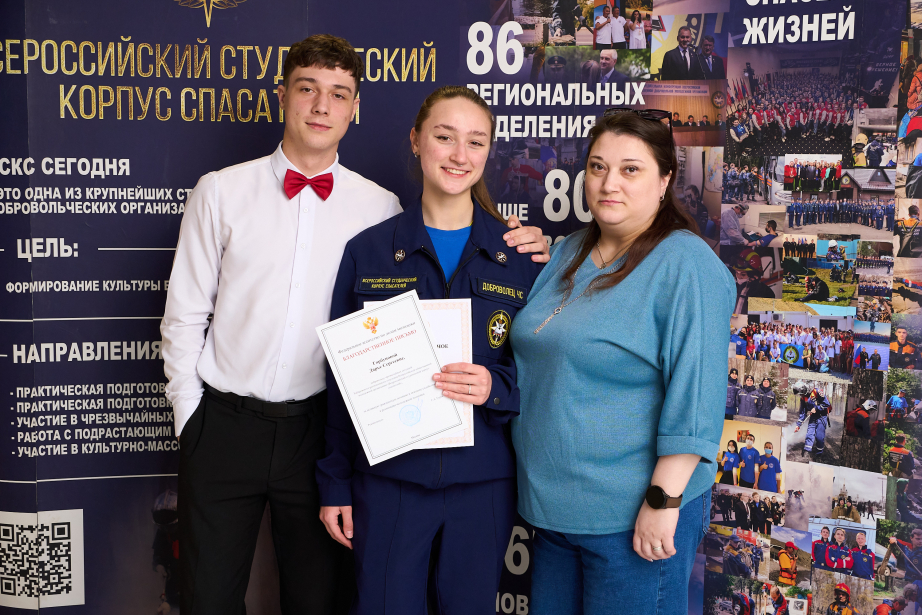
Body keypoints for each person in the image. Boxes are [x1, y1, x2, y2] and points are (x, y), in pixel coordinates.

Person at [161, 37, 550, 615]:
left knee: (318, 599)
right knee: (209, 598)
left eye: (339, 94)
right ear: (282, 95)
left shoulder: (388, 211)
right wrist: (191, 419)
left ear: (355, 108)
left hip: (353, 438)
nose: (322, 106)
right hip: (242, 429)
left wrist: (531, 250)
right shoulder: (229, 192)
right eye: (308, 89)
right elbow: (187, 315)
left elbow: (538, 362)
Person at [315, 85, 545, 615]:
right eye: (444, 137)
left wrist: (496, 387)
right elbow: (340, 382)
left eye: (475, 142)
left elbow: (545, 372)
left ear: (488, 152)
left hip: (483, 483)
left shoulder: (520, 257)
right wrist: (335, 483)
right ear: (417, 140)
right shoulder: (369, 251)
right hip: (389, 482)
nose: (460, 155)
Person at [509, 109, 735, 613]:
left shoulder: (685, 263)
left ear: (665, 180)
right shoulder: (567, 251)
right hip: (553, 513)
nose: (609, 183)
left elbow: (696, 395)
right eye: (597, 167)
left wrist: (662, 501)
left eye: (631, 169)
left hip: (632, 518)